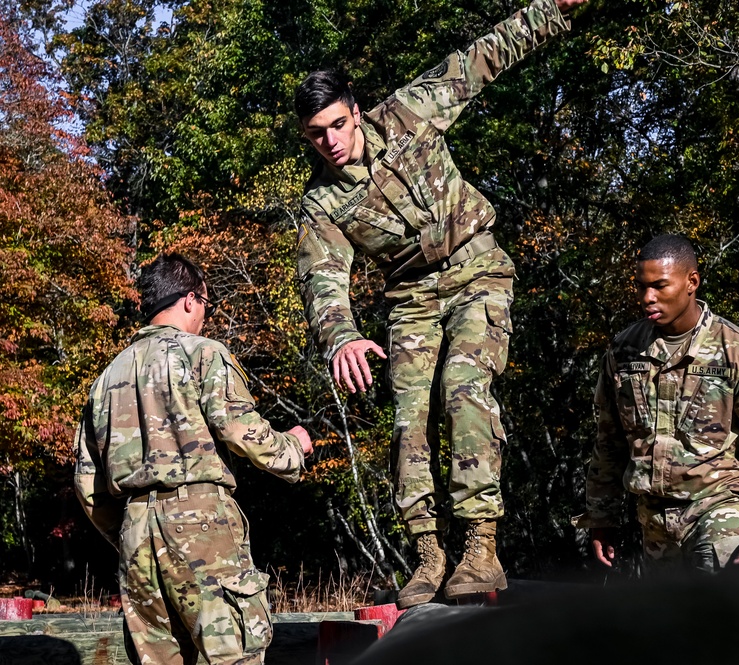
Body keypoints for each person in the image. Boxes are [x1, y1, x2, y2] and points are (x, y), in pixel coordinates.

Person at [294, 0, 587, 607]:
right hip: (410, 298)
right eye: (317, 134)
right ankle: (429, 553)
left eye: (338, 125)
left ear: (355, 111)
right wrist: (342, 336)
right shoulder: (321, 203)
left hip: (475, 266)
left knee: (463, 385)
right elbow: (322, 279)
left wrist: (551, 11)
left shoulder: (408, 112)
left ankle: (481, 545)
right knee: (408, 417)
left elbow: (483, 57)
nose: (331, 142)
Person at [74, 253, 313, 665]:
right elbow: (242, 431)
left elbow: (87, 483)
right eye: (207, 304)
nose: (206, 314)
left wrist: (130, 530)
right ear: (189, 300)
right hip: (202, 526)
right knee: (234, 655)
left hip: (136, 534)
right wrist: (293, 447)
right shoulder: (201, 354)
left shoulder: (106, 379)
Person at [573, 235, 739, 572]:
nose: (647, 297)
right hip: (653, 521)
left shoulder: (736, 352)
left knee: (714, 617)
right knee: (668, 623)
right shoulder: (624, 352)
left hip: (717, 510)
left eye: (659, 286)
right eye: (641, 287)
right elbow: (608, 441)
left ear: (691, 282)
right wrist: (601, 516)